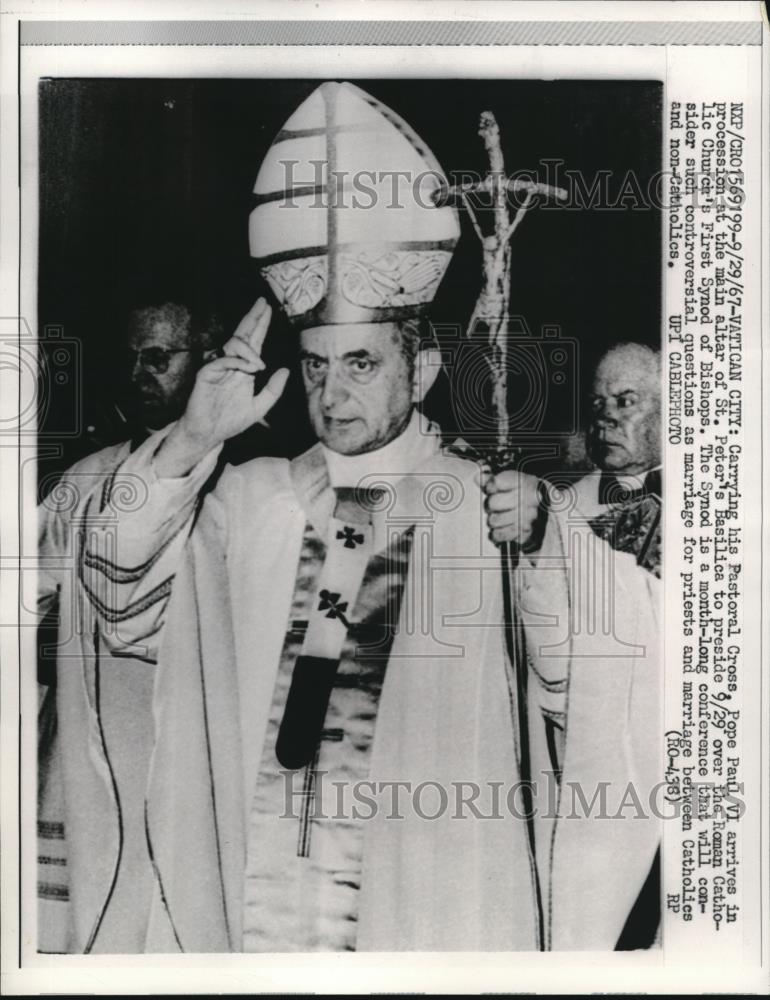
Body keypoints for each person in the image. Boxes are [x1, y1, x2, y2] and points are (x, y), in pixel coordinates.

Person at [64, 81, 542, 953]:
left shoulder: (482, 509)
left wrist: (542, 539)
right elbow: (113, 579)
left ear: (424, 369)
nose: (332, 390)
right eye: (316, 365)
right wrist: (191, 441)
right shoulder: (248, 499)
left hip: (409, 907)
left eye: (361, 361)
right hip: (249, 905)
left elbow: (574, 687)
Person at [37, 301, 222, 953]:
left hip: (191, 756)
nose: (139, 372)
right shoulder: (86, 477)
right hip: (82, 761)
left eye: (159, 357)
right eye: (132, 356)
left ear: (208, 360)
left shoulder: (246, 485)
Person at [482, 341, 662, 950]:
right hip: (586, 757)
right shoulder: (563, 512)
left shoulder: (728, 504)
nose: (606, 416)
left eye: (627, 401)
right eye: (598, 403)